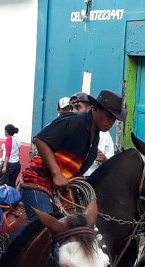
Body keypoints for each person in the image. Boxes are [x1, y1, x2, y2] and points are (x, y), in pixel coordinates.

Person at [20, 89, 127, 219]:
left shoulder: (96, 137)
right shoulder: (75, 121)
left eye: (114, 119)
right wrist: (57, 174)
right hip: (38, 181)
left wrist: (76, 177)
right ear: (95, 109)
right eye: (109, 117)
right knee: (47, 227)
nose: (111, 122)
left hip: (60, 190)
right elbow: (40, 140)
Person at [70, 92, 116, 176]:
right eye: (71, 108)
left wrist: (104, 159)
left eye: (78, 107)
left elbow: (111, 163)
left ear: (90, 109)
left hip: (93, 182)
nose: (73, 111)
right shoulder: (69, 126)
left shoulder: (104, 134)